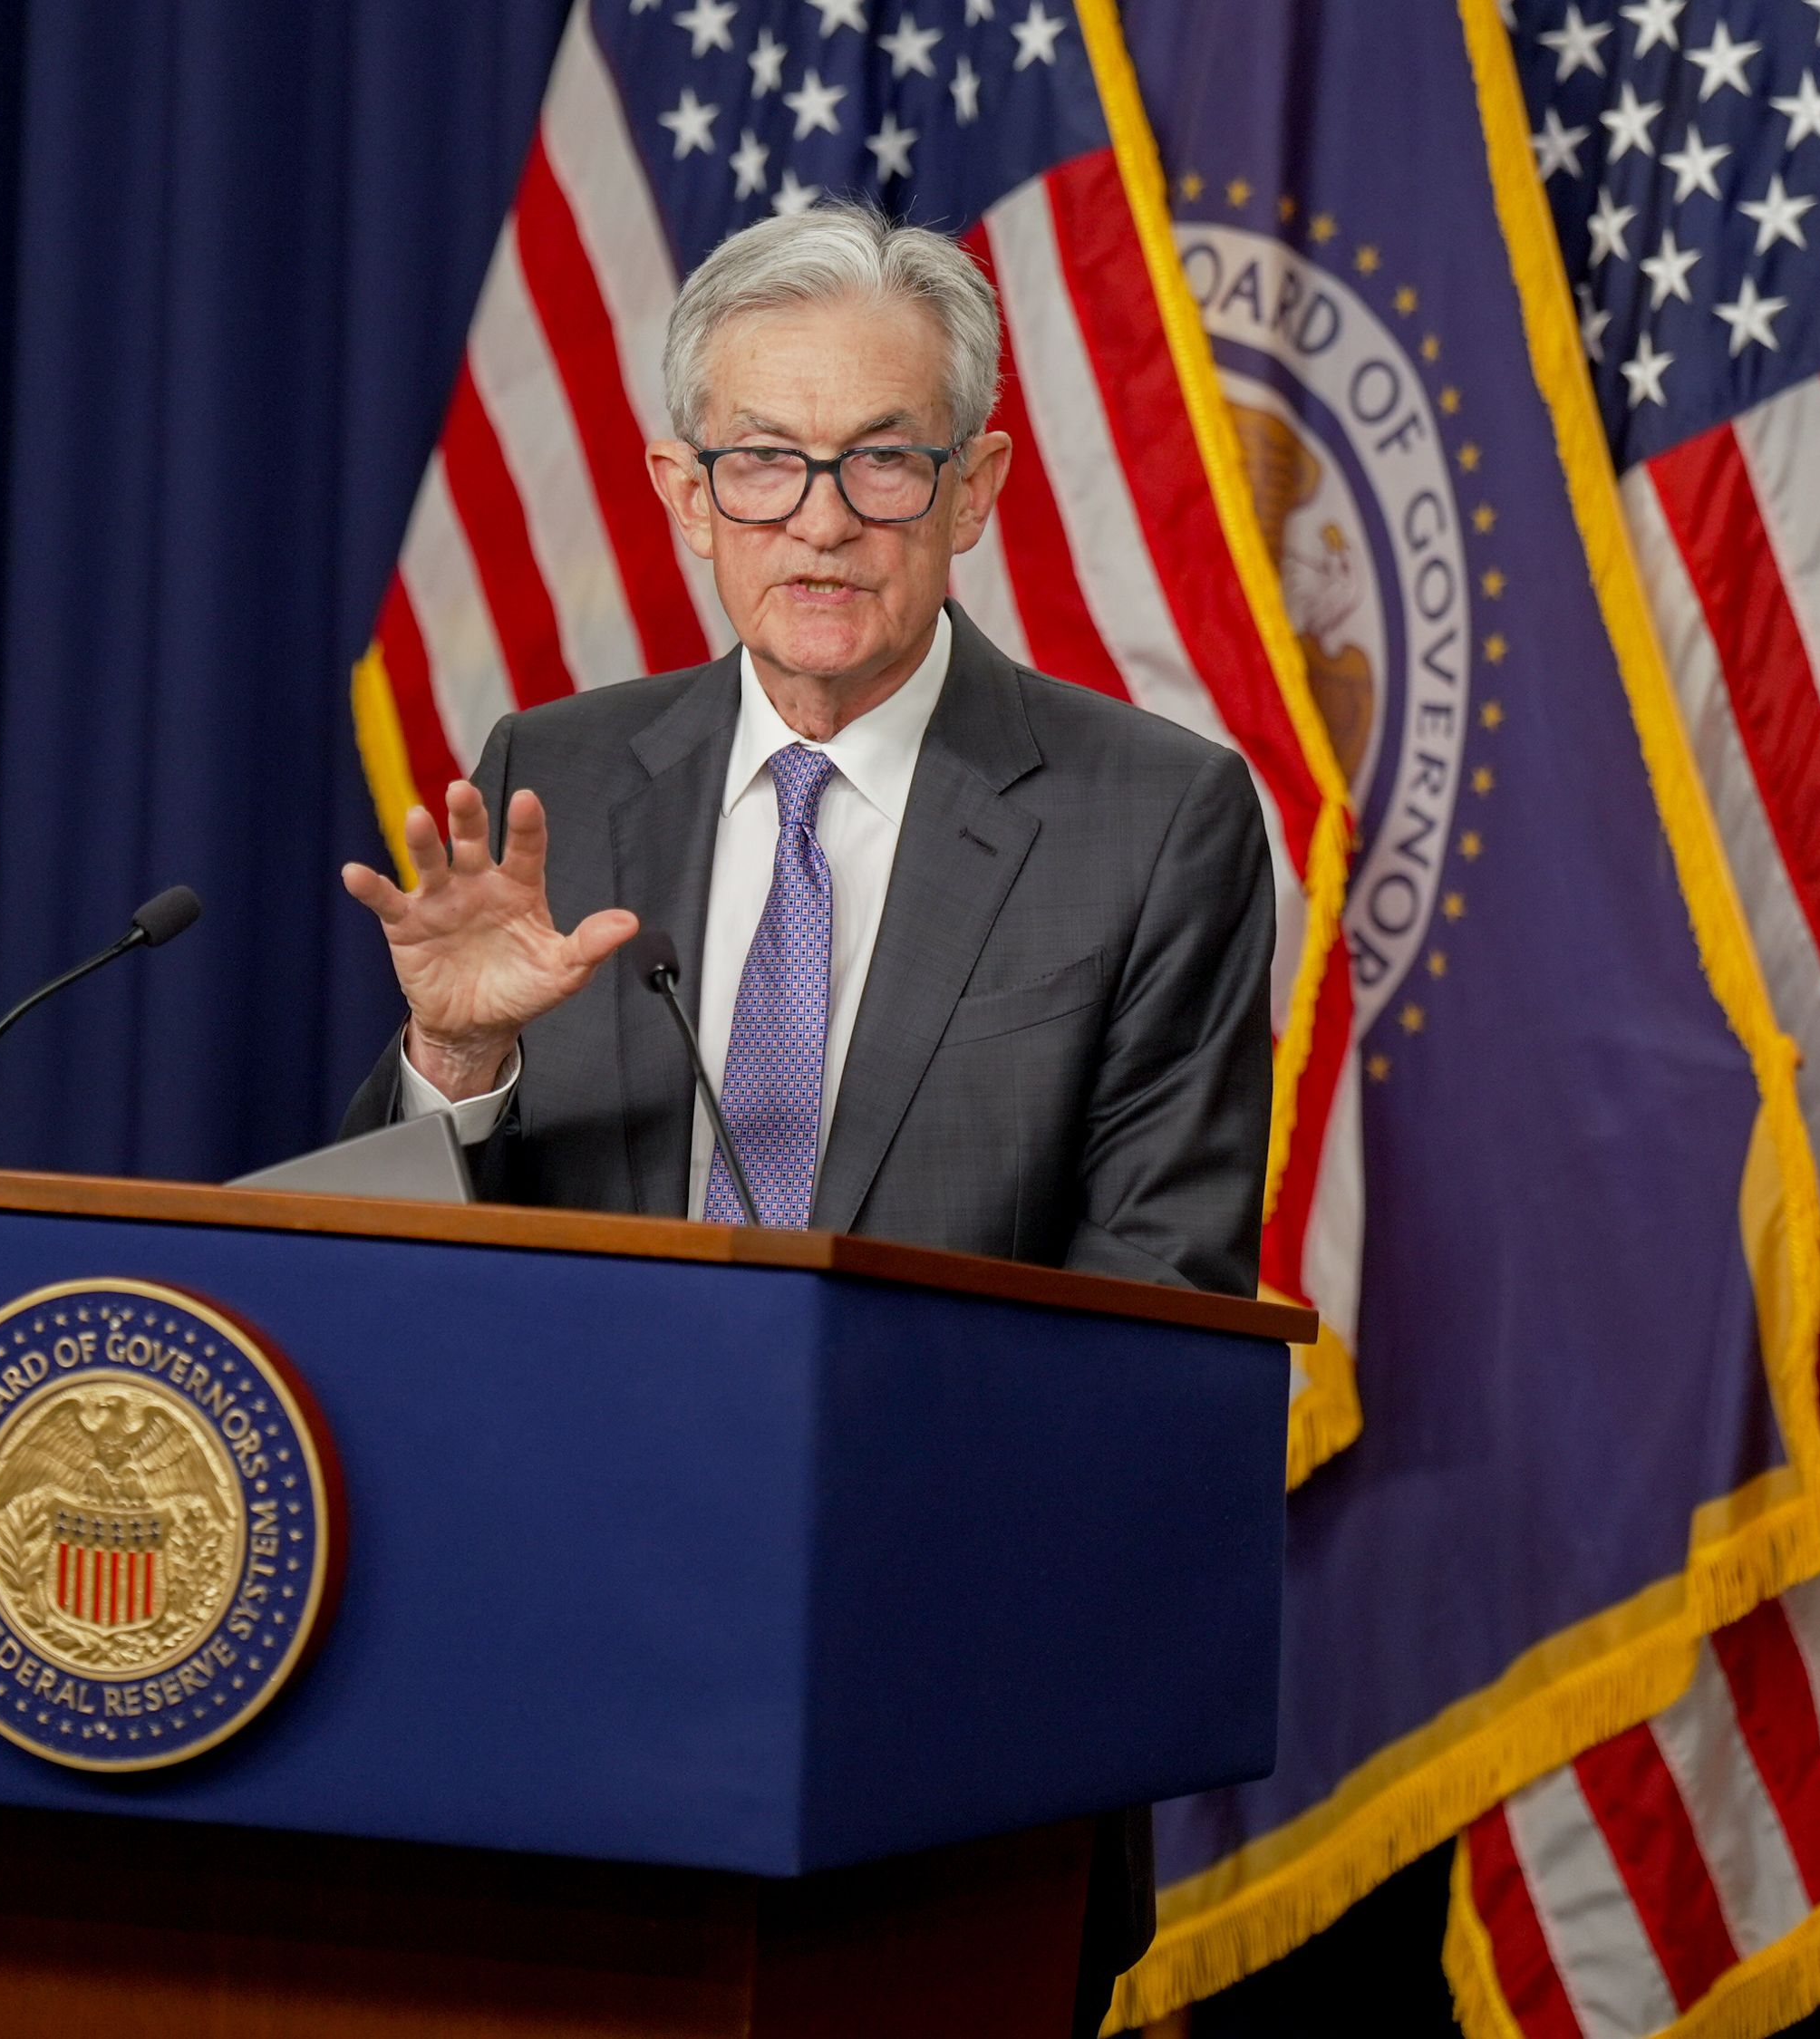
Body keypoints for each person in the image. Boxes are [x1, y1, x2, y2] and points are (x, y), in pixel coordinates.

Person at [336, 199, 1276, 2028]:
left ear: (977, 485)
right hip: (556, 1707)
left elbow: (1151, 1317)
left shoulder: (1147, 817)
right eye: (764, 464)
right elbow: (395, 1287)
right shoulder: (555, 778)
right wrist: (457, 1068)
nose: (821, 521)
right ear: (687, 493)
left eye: (879, 463)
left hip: (941, 1739)